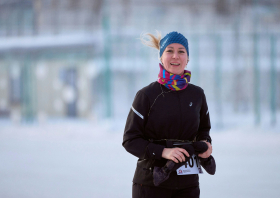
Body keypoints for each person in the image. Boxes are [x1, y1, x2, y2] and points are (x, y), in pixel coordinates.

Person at [122, 31, 213, 198]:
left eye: (181, 51)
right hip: (151, 183)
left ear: (188, 58)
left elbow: (204, 130)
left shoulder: (197, 95)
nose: (175, 56)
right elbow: (130, 140)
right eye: (169, 51)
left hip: (188, 185)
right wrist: (163, 151)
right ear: (161, 57)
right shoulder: (147, 95)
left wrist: (205, 145)